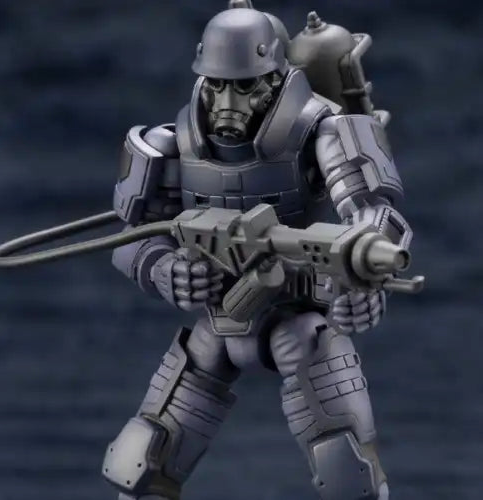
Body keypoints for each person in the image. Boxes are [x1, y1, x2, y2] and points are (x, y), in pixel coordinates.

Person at [102, 7, 412, 500]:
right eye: (217, 86)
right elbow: (130, 237)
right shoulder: (169, 144)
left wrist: (361, 278)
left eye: (246, 87)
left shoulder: (321, 132)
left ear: (276, 80)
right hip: (218, 321)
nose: (228, 102)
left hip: (298, 316)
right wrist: (164, 270)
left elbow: (375, 212)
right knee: (142, 461)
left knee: (346, 465)